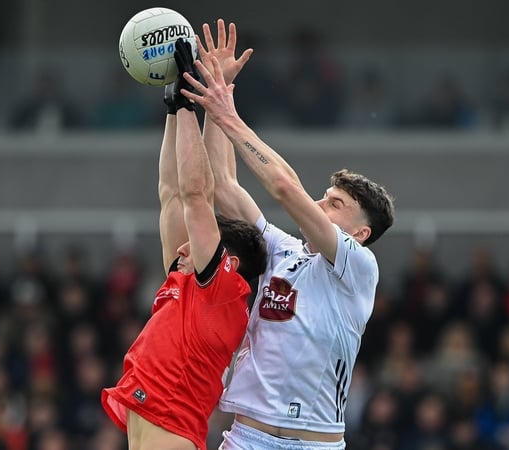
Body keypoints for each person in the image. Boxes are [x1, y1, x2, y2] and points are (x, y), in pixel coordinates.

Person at [181, 19, 395, 449]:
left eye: (335, 204)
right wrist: (218, 91)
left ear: (362, 232)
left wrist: (230, 116)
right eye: (323, 196)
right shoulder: (284, 250)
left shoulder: (357, 266)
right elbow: (224, 184)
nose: (317, 205)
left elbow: (283, 187)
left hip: (312, 443)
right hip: (246, 436)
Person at [100, 38, 267, 450]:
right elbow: (173, 193)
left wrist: (186, 106)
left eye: (198, 239)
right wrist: (177, 105)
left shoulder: (222, 293)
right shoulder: (192, 283)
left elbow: (197, 194)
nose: (182, 247)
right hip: (155, 421)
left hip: (172, 429)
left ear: (224, 258)